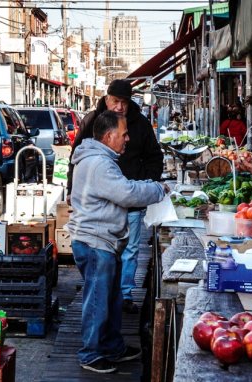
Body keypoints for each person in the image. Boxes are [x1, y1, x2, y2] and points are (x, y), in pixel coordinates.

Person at [67, 110, 167, 373]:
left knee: (110, 298)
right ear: (109, 136)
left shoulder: (101, 160)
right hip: (95, 242)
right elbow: (125, 193)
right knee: (98, 299)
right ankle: (90, 353)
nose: (127, 138)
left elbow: (123, 188)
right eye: (123, 134)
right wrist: (158, 189)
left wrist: (147, 186)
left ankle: (111, 346)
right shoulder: (99, 164)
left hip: (102, 241)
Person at [67, 79, 164, 315]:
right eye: (116, 101)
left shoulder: (139, 123)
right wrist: (71, 188)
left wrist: (145, 181)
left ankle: (125, 294)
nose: (120, 107)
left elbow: (154, 157)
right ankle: (95, 346)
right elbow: (75, 156)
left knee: (128, 250)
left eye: (124, 102)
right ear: (107, 98)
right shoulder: (93, 122)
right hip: (100, 211)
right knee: (101, 273)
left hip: (129, 198)